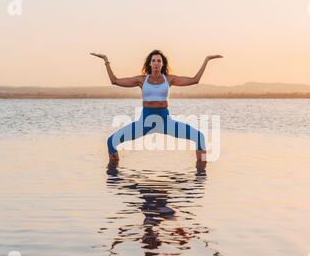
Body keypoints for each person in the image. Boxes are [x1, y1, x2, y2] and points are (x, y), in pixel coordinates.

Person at [90, 49, 223, 172]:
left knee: (199, 137)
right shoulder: (141, 80)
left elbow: (195, 80)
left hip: (166, 122)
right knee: (111, 142)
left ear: (163, 64)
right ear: (149, 63)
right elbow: (115, 81)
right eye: (153, 60)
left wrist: (206, 60)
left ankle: (201, 174)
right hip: (145, 123)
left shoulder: (169, 79)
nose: (156, 63)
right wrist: (106, 60)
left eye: (159, 60)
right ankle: (114, 170)